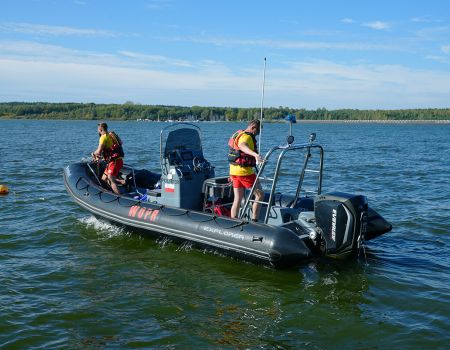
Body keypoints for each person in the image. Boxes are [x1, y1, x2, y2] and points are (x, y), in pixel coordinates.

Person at [228, 119, 265, 221]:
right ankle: (254, 220)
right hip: (244, 173)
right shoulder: (247, 136)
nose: (257, 134)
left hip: (233, 172)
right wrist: (256, 155)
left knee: (238, 198)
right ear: (253, 128)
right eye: (257, 132)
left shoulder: (238, 134)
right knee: (260, 195)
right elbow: (242, 146)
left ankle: (233, 220)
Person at [92, 122, 125, 194]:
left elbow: (99, 151)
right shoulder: (112, 134)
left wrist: (93, 153)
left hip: (114, 162)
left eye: (98, 129)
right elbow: (121, 143)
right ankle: (120, 183)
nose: (97, 131)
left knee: (111, 178)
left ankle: (119, 197)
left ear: (100, 129)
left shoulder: (103, 137)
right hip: (116, 161)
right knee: (104, 179)